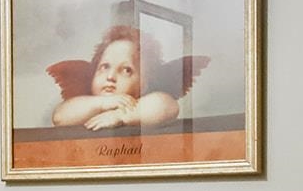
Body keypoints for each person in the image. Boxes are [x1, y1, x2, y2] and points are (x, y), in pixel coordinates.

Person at [46, 24, 204, 131]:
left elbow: (167, 105)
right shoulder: (86, 106)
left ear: (144, 83)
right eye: (104, 67)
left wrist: (121, 116)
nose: (110, 77)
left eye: (126, 70)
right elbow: (60, 117)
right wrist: (102, 104)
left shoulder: (143, 105)